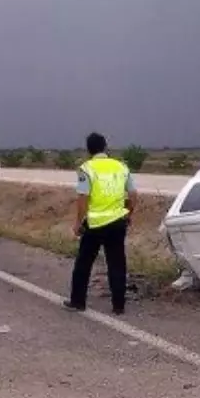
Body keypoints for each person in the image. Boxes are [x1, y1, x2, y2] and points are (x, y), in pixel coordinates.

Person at [63, 132, 137, 314]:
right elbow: (134, 195)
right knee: (117, 264)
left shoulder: (86, 169)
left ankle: (78, 301)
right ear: (105, 147)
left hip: (94, 225)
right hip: (118, 223)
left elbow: (83, 199)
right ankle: (119, 306)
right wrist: (128, 213)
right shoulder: (121, 167)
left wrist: (78, 223)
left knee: (83, 264)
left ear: (89, 149)